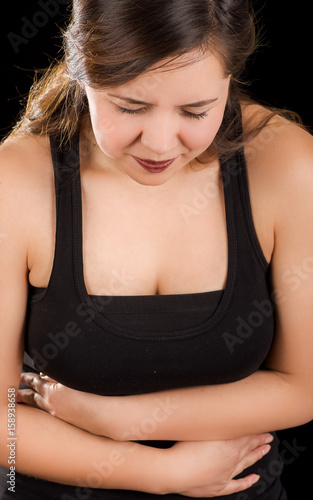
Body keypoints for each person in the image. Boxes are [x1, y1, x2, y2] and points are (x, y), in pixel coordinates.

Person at [0, 0, 313, 498]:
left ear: (230, 80)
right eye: (130, 107)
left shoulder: (286, 162)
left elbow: (303, 386)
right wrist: (163, 473)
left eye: (195, 110)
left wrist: (121, 419)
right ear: (84, 73)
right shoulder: (16, 180)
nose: (161, 143)